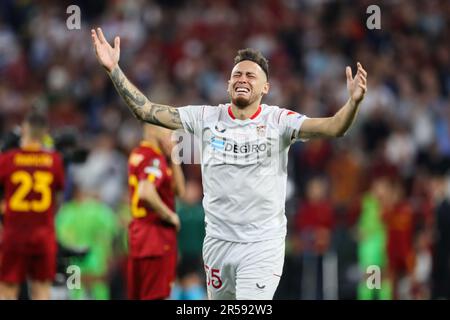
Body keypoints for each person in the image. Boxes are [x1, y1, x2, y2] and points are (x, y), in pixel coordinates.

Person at [91, 27, 367, 300]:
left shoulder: (279, 121)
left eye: (250, 75)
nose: (242, 79)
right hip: (218, 244)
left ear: (265, 87)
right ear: (228, 83)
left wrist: (352, 103)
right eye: (237, 74)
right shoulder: (206, 118)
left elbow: (333, 127)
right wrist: (114, 70)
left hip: (261, 245)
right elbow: (146, 110)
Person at [0, 112, 65, 299]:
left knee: (7, 291)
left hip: (14, 234)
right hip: (43, 235)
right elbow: (58, 198)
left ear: (25, 129)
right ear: (45, 132)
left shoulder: (9, 159)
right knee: (42, 290)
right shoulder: (54, 161)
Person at [127, 124, 185, 300]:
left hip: (139, 234)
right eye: (169, 133)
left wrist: (173, 158)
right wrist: (170, 216)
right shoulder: (154, 159)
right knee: (156, 296)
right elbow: (145, 190)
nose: (173, 140)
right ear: (154, 131)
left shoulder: (138, 154)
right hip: (157, 238)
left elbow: (179, 191)